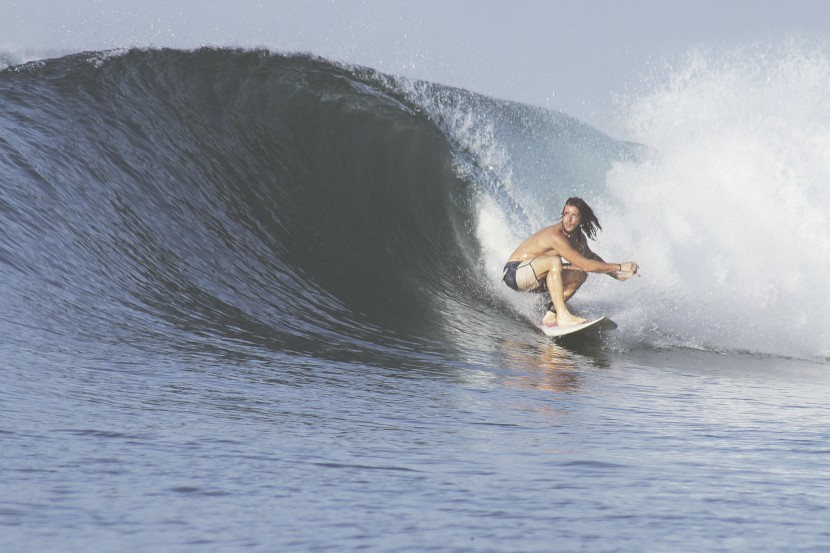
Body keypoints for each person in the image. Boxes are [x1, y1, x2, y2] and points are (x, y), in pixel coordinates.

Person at [502, 197, 638, 327]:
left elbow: (590, 257)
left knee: (580, 274)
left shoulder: (578, 238)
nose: (569, 219)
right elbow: (586, 265)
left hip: (536, 277)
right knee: (555, 261)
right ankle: (563, 315)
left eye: (574, 215)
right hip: (515, 273)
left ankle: (551, 314)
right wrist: (620, 266)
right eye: (566, 214)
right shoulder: (555, 236)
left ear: (581, 218)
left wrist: (616, 274)